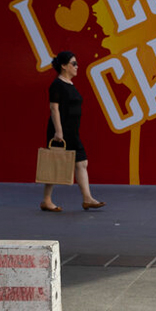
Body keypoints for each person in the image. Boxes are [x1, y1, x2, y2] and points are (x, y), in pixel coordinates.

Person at [40, 51, 105, 212]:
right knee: (55, 164)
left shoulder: (69, 84)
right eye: (73, 63)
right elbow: (54, 108)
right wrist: (58, 131)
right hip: (61, 131)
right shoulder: (57, 85)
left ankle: (87, 198)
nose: (77, 66)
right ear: (63, 66)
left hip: (73, 131)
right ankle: (46, 200)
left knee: (82, 162)